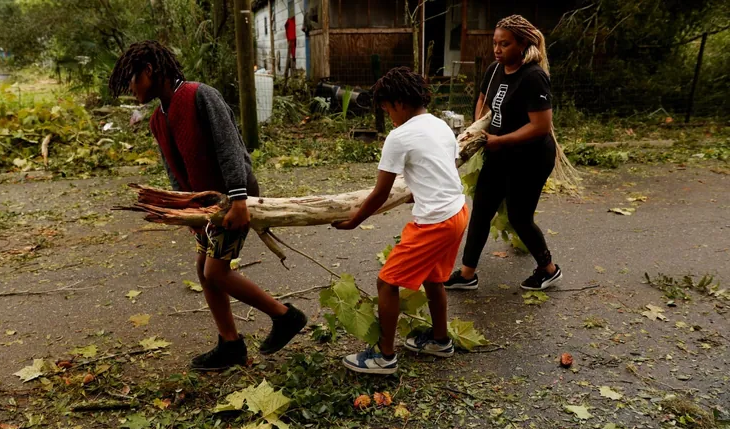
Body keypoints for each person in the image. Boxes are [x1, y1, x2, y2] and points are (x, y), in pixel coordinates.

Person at [108, 41, 307, 371]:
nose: (131, 88)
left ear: (149, 70)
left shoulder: (200, 95)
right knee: (204, 271)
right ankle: (230, 344)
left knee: (216, 270)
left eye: (132, 79)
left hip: (233, 198)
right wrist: (186, 210)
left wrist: (239, 201)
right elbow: (174, 168)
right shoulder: (159, 118)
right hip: (206, 207)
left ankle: (285, 317)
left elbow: (230, 148)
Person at [333, 67, 468, 375]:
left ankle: (384, 355)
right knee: (435, 279)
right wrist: (417, 191)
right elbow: (445, 166)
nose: (389, 117)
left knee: (386, 281)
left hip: (434, 221)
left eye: (388, 110)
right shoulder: (441, 125)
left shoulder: (399, 136)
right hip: (458, 212)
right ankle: (439, 340)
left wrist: (354, 220)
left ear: (400, 103)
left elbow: (380, 193)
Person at [445, 15, 563, 292]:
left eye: (505, 44)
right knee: (481, 212)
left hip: (530, 158)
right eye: (495, 43)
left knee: (520, 217)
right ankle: (466, 274)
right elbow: (483, 100)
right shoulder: (495, 69)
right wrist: (478, 127)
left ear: (522, 44)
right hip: (498, 153)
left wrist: (501, 139)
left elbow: (541, 126)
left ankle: (548, 269)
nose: (497, 49)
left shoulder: (533, 77)